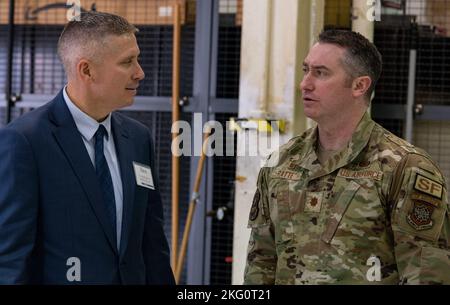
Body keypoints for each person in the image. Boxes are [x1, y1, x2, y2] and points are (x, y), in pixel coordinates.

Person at [244, 30, 450, 284]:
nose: (305, 84)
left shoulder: (406, 169)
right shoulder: (283, 162)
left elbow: (426, 275)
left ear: (359, 85)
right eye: (305, 70)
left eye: (320, 73)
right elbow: (261, 263)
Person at [0, 11, 175, 284]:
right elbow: (11, 260)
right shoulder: (25, 142)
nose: (140, 72)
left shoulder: (139, 139)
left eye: (137, 59)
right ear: (86, 70)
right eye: (127, 62)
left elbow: (152, 244)